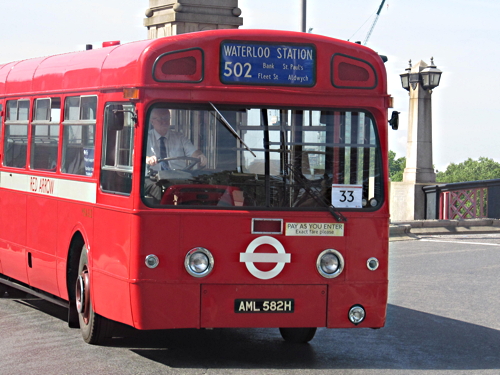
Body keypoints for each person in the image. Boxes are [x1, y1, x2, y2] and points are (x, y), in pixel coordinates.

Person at [144, 107, 206, 201]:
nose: (164, 122)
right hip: (152, 177)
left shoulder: (179, 137)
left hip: (178, 176)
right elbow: (135, 156)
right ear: (152, 121)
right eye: (160, 119)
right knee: (158, 189)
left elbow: (193, 152)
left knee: (197, 188)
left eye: (166, 118)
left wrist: (200, 156)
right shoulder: (145, 137)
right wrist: (147, 159)